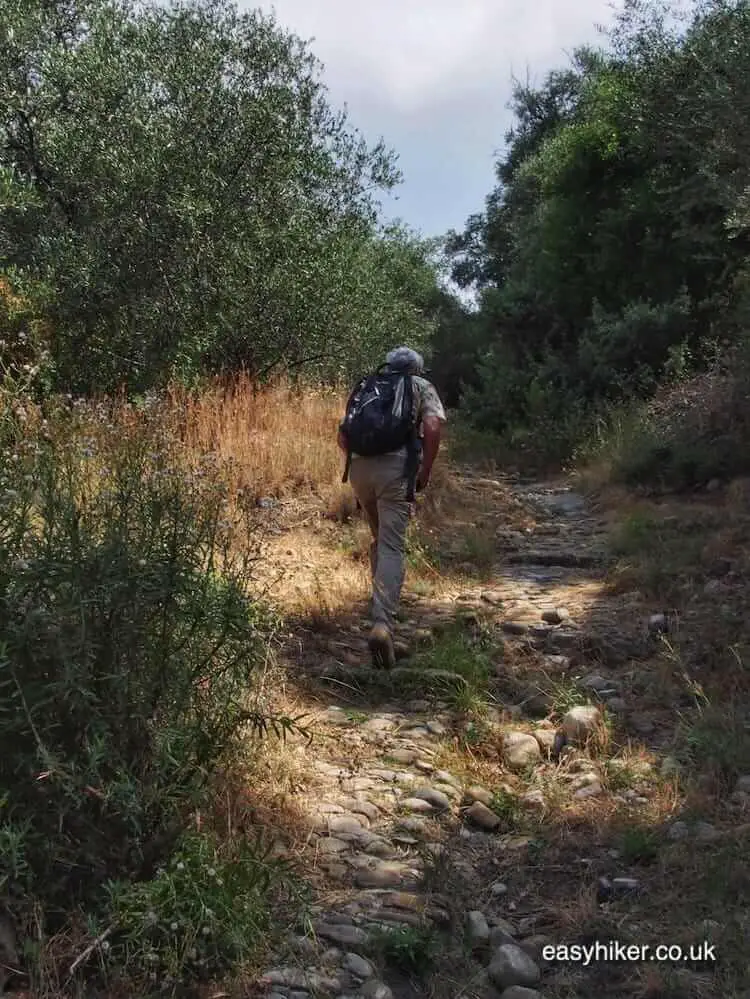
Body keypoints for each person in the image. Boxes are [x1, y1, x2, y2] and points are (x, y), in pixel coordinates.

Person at [337, 347, 446, 668]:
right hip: (395, 470)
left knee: (379, 540)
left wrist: (359, 467)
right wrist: (424, 471)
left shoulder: (368, 385)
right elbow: (433, 427)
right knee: (391, 546)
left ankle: (380, 613)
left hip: (359, 470)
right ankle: (382, 623)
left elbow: (343, 436)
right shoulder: (419, 386)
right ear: (416, 368)